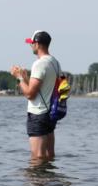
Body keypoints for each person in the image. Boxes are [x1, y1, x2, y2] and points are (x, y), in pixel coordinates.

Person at [11, 30, 61, 161]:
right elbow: (42, 89)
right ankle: (49, 180)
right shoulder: (54, 62)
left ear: (37, 44)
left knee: (37, 157)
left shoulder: (39, 64)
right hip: (50, 114)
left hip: (38, 114)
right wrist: (26, 78)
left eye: (32, 43)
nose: (31, 46)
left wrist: (19, 78)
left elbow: (30, 94)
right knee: (49, 155)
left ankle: (36, 181)